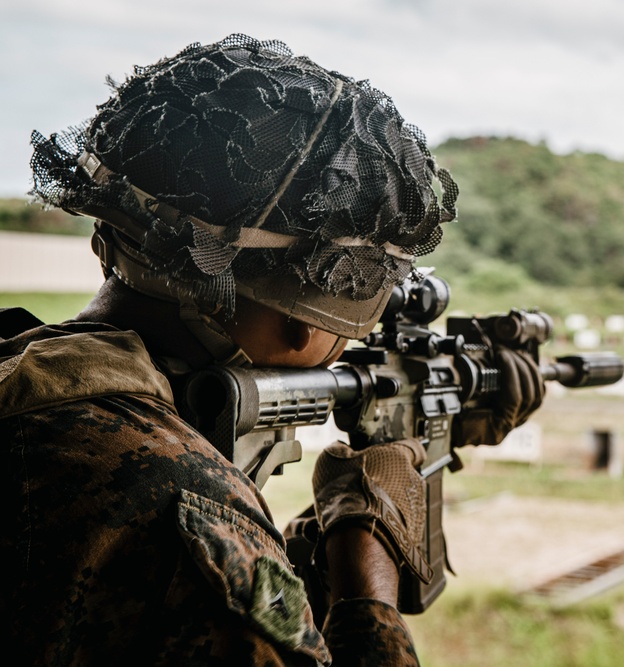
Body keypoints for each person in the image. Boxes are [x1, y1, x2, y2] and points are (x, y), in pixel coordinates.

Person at [2, 34, 544, 666]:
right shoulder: (175, 504)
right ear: (303, 323)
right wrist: (369, 583)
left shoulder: (32, 384)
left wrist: (325, 531)